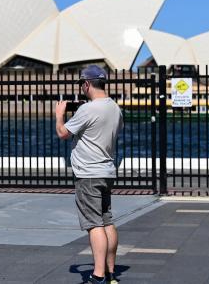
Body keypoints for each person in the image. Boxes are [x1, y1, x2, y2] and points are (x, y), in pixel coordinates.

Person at [55, 65, 124, 284]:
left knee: (94, 225)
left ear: (86, 84)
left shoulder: (88, 110)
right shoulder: (114, 107)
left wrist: (59, 115)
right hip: (106, 171)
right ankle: (111, 273)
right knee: (107, 221)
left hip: (88, 174)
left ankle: (98, 275)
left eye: (81, 85)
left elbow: (63, 133)